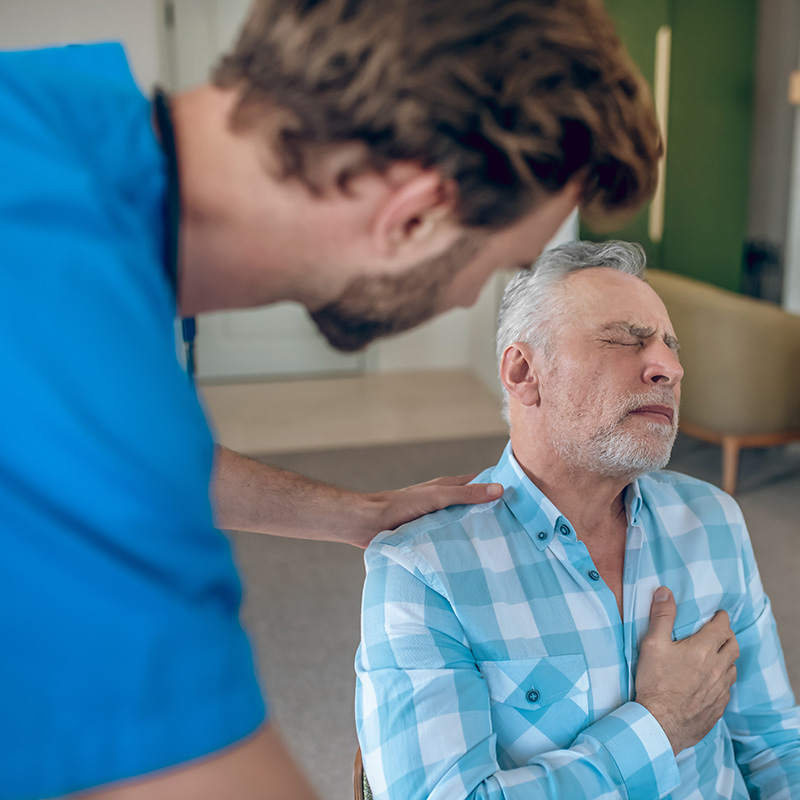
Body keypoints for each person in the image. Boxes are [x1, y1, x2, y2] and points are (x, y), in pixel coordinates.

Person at [0, 0, 661, 797]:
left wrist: (350, 514)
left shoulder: (57, 116)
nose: (462, 305)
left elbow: (125, 461)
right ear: (413, 216)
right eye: (492, 268)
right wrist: (655, 724)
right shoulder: (58, 317)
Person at [355, 240, 800, 799]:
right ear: (523, 371)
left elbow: (776, 744)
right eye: (624, 340)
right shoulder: (423, 572)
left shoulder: (714, 521)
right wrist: (659, 726)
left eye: (669, 346)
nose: (670, 368)